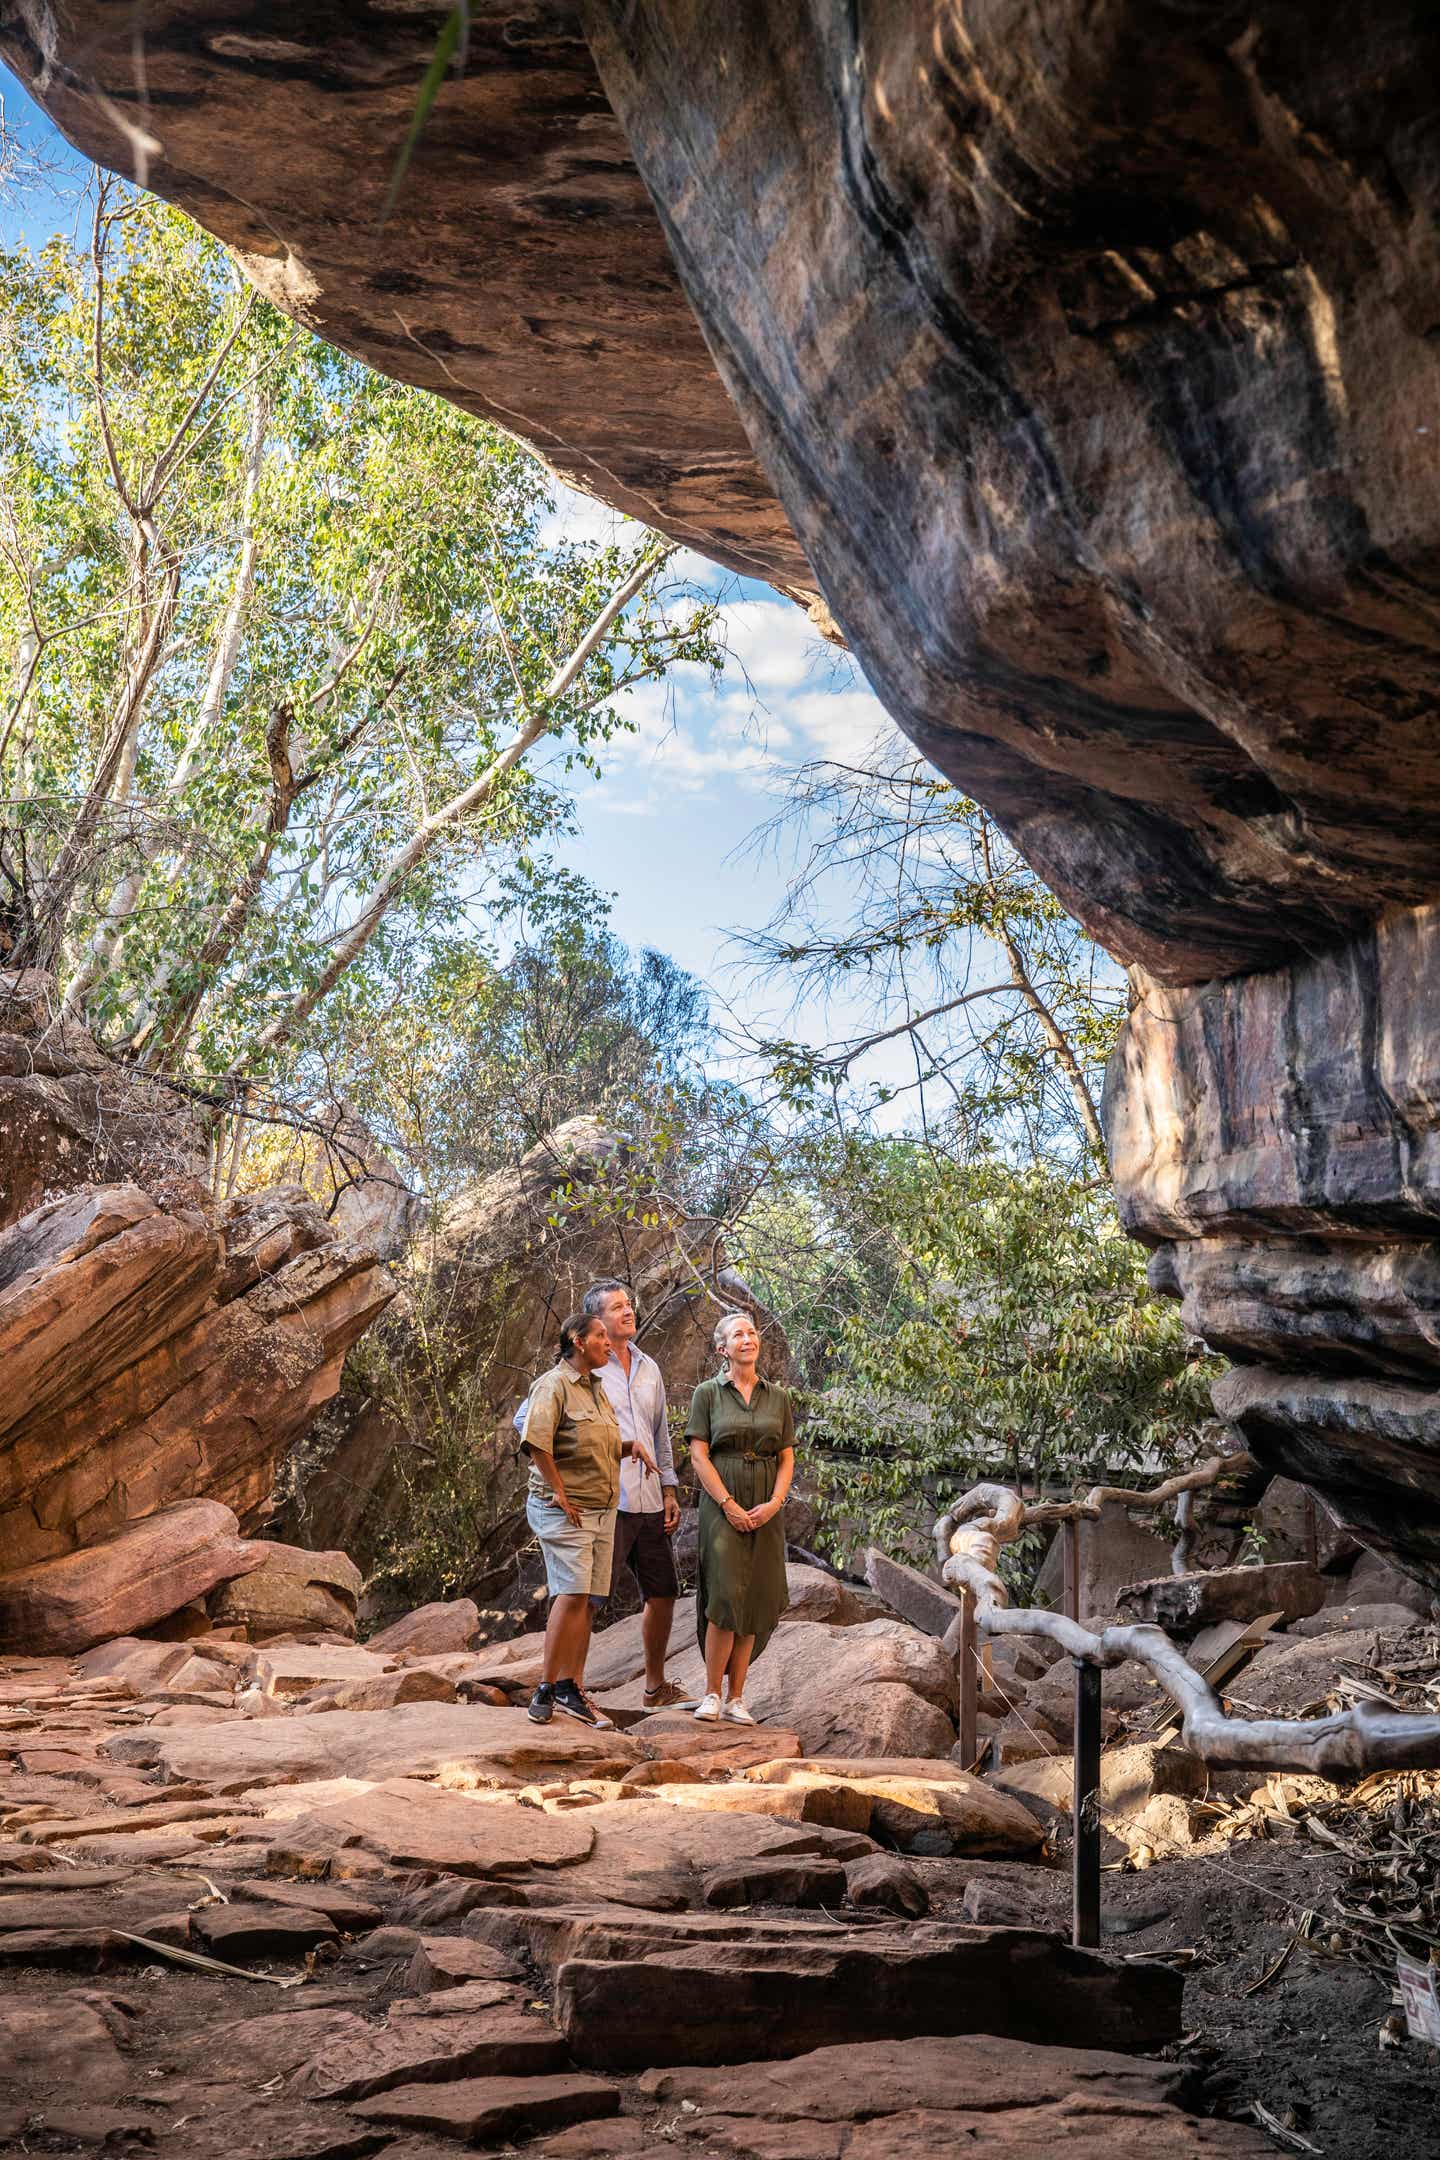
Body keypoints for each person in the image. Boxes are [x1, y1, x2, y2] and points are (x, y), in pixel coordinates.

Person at [685, 1308, 795, 1723]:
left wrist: (774, 1504)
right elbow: (698, 1455)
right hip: (721, 1503)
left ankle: (737, 1698)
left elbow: (786, 1458)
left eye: (752, 1333)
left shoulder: (778, 1397)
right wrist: (728, 1505)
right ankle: (711, 1693)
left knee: (754, 1598)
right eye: (738, 1335)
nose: (747, 1339)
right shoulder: (707, 1394)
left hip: (766, 1504)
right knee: (725, 1594)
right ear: (722, 1348)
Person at [581, 1278, 687, 1707]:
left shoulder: (649, 1367)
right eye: (617, 1308)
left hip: (648, 1500)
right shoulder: (584, 1367)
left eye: (629, 1305)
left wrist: (669, 1488)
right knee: (587, 1599)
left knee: (662, 1593)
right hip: (607, 1501)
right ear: (597, 1322)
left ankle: (654, 1688)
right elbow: (528, 1422)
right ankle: (574, 1689)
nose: (628, 1312)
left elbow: (659, 1432)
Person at [520, 1310, 622, 1727]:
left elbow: (597, 1443)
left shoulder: (596, 1389)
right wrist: (559, 1492)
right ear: (577, 1340)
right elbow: (536, 1442)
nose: (608, 1342)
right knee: (573, 1591)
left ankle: (570, 1688)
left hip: (602, 1509)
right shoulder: (553, 1384)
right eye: (601, 1336)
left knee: (588, 1598)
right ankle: (545, 1687)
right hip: (566, 1509)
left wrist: (633, 1449)